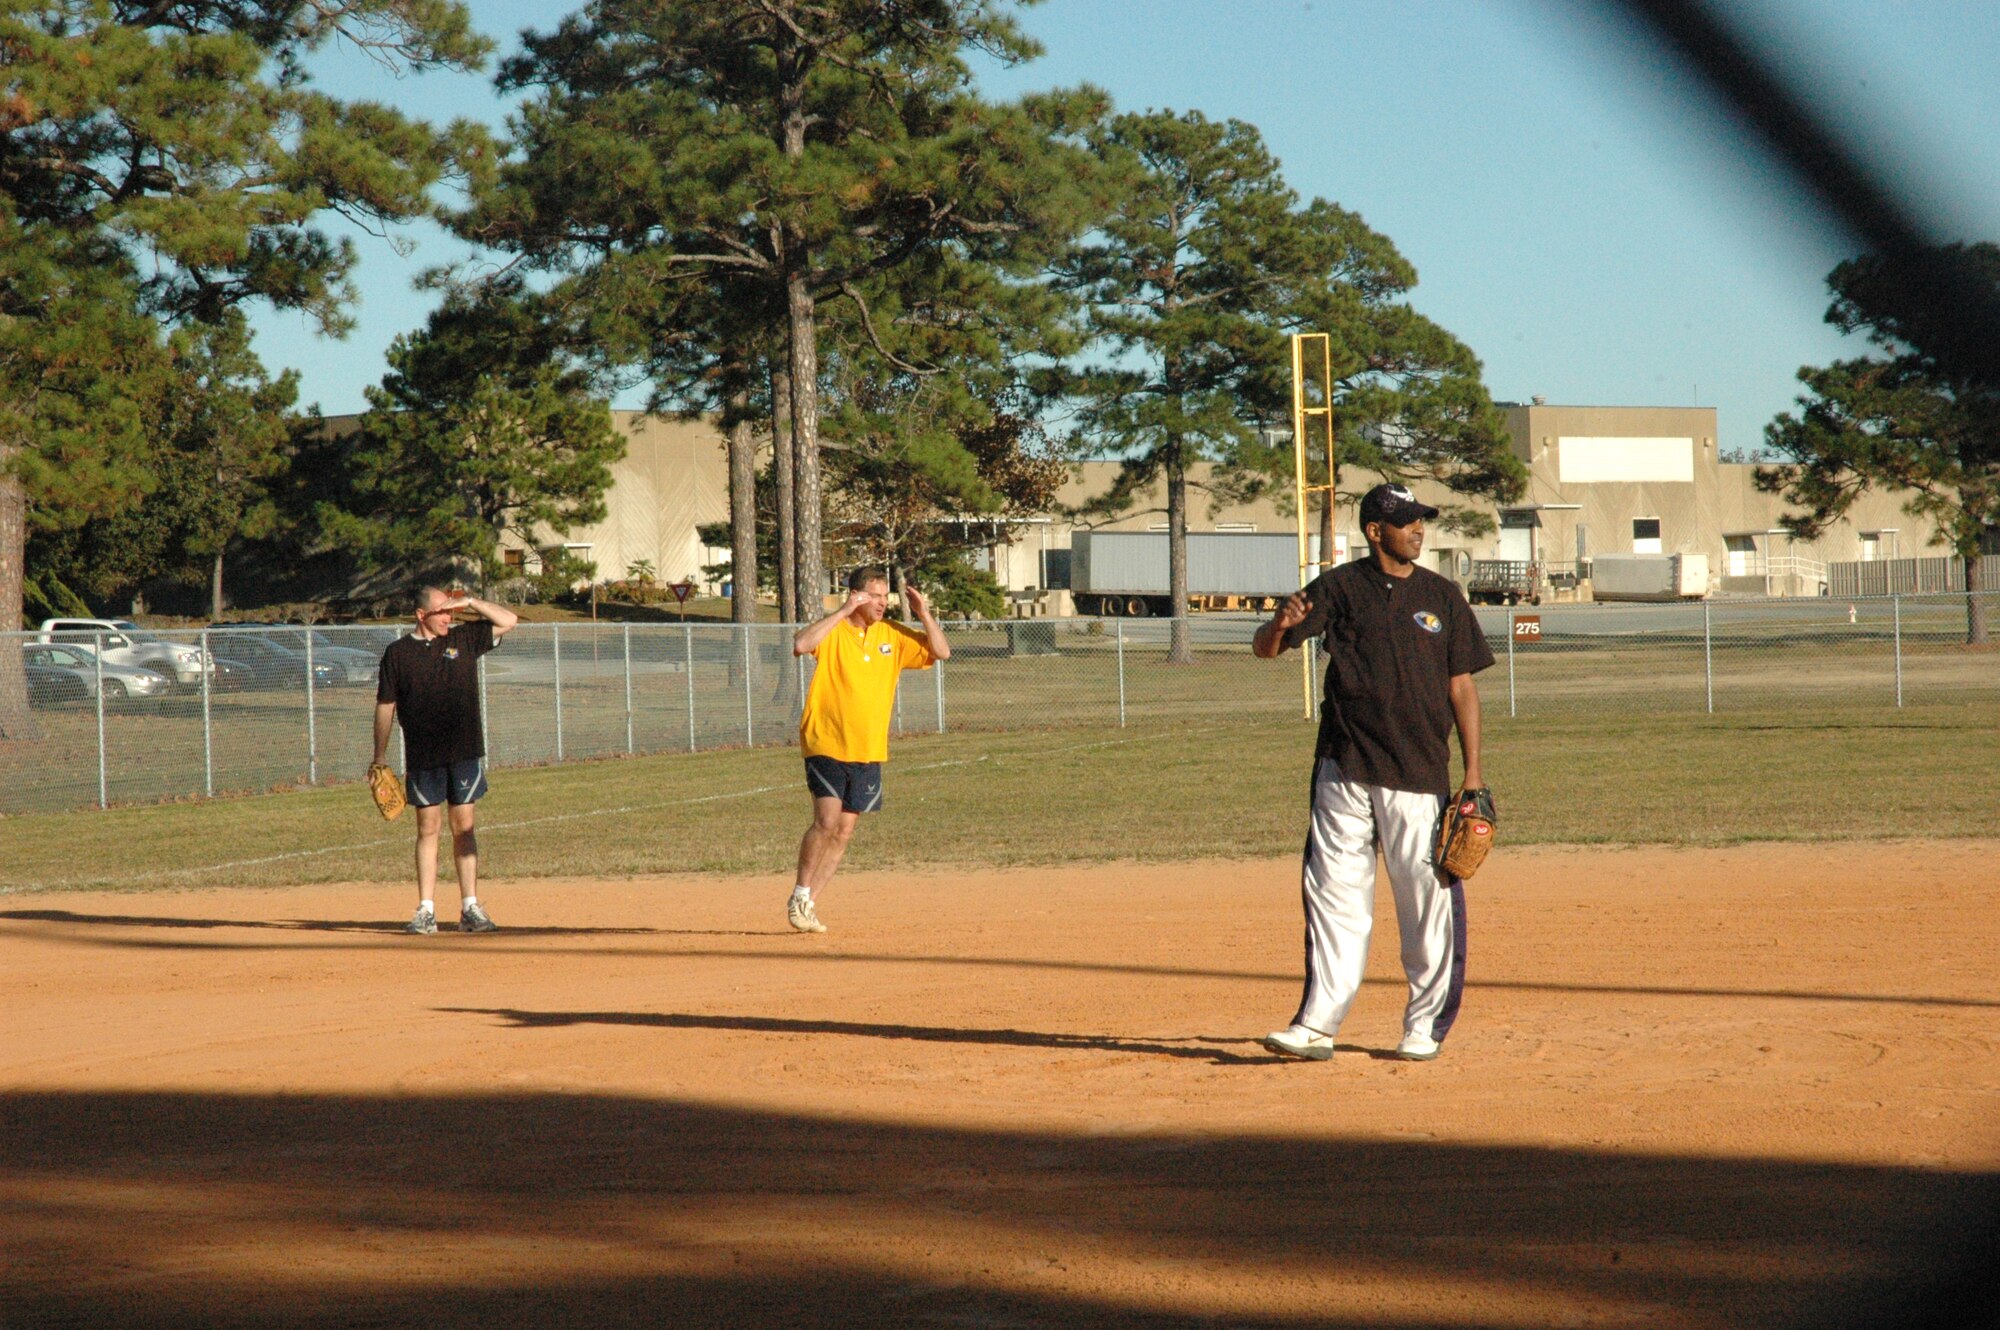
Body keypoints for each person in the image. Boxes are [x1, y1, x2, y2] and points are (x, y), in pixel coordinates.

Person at [1252, 482, 1493, 1062]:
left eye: (1420, 521)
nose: (1417, 529)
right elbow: (1265, 648)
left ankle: (1424, 1025)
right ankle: (1317, 1023)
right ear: (1373, 531)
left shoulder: (1443, 595)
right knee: (1335, 898)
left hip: (1419, 773)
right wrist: (1281, 624)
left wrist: (1474, 773)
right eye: (1406, 520)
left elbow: (1462, 687)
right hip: (1344, 766)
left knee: (1425, 904)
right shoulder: (1338, 587)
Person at [785, 567, 951, 932]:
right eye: (874, 595)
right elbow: (800, 644)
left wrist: (923, 612)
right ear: (856, 595)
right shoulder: (835, 631)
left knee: (844, 832)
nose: (882, 602)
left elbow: (942, 652)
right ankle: (799, 893)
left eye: (885, 595)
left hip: (869, 748)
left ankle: (809, 903)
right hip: (825, 740)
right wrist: (843, 611)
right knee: (826, 822)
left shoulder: (891, 634)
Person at [372, 586, 519, 935]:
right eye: (441, 611)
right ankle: (425, 910)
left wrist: (470, 602)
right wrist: (378, 755)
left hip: (464, 751)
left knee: (464, 828)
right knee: (428, 829)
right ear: (421, 615)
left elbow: (509, 620)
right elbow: (385, 707)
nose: (448, 617)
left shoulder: (465, 639)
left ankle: (470, 908)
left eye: (451, 611)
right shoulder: (398, 654)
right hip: (424, 755)